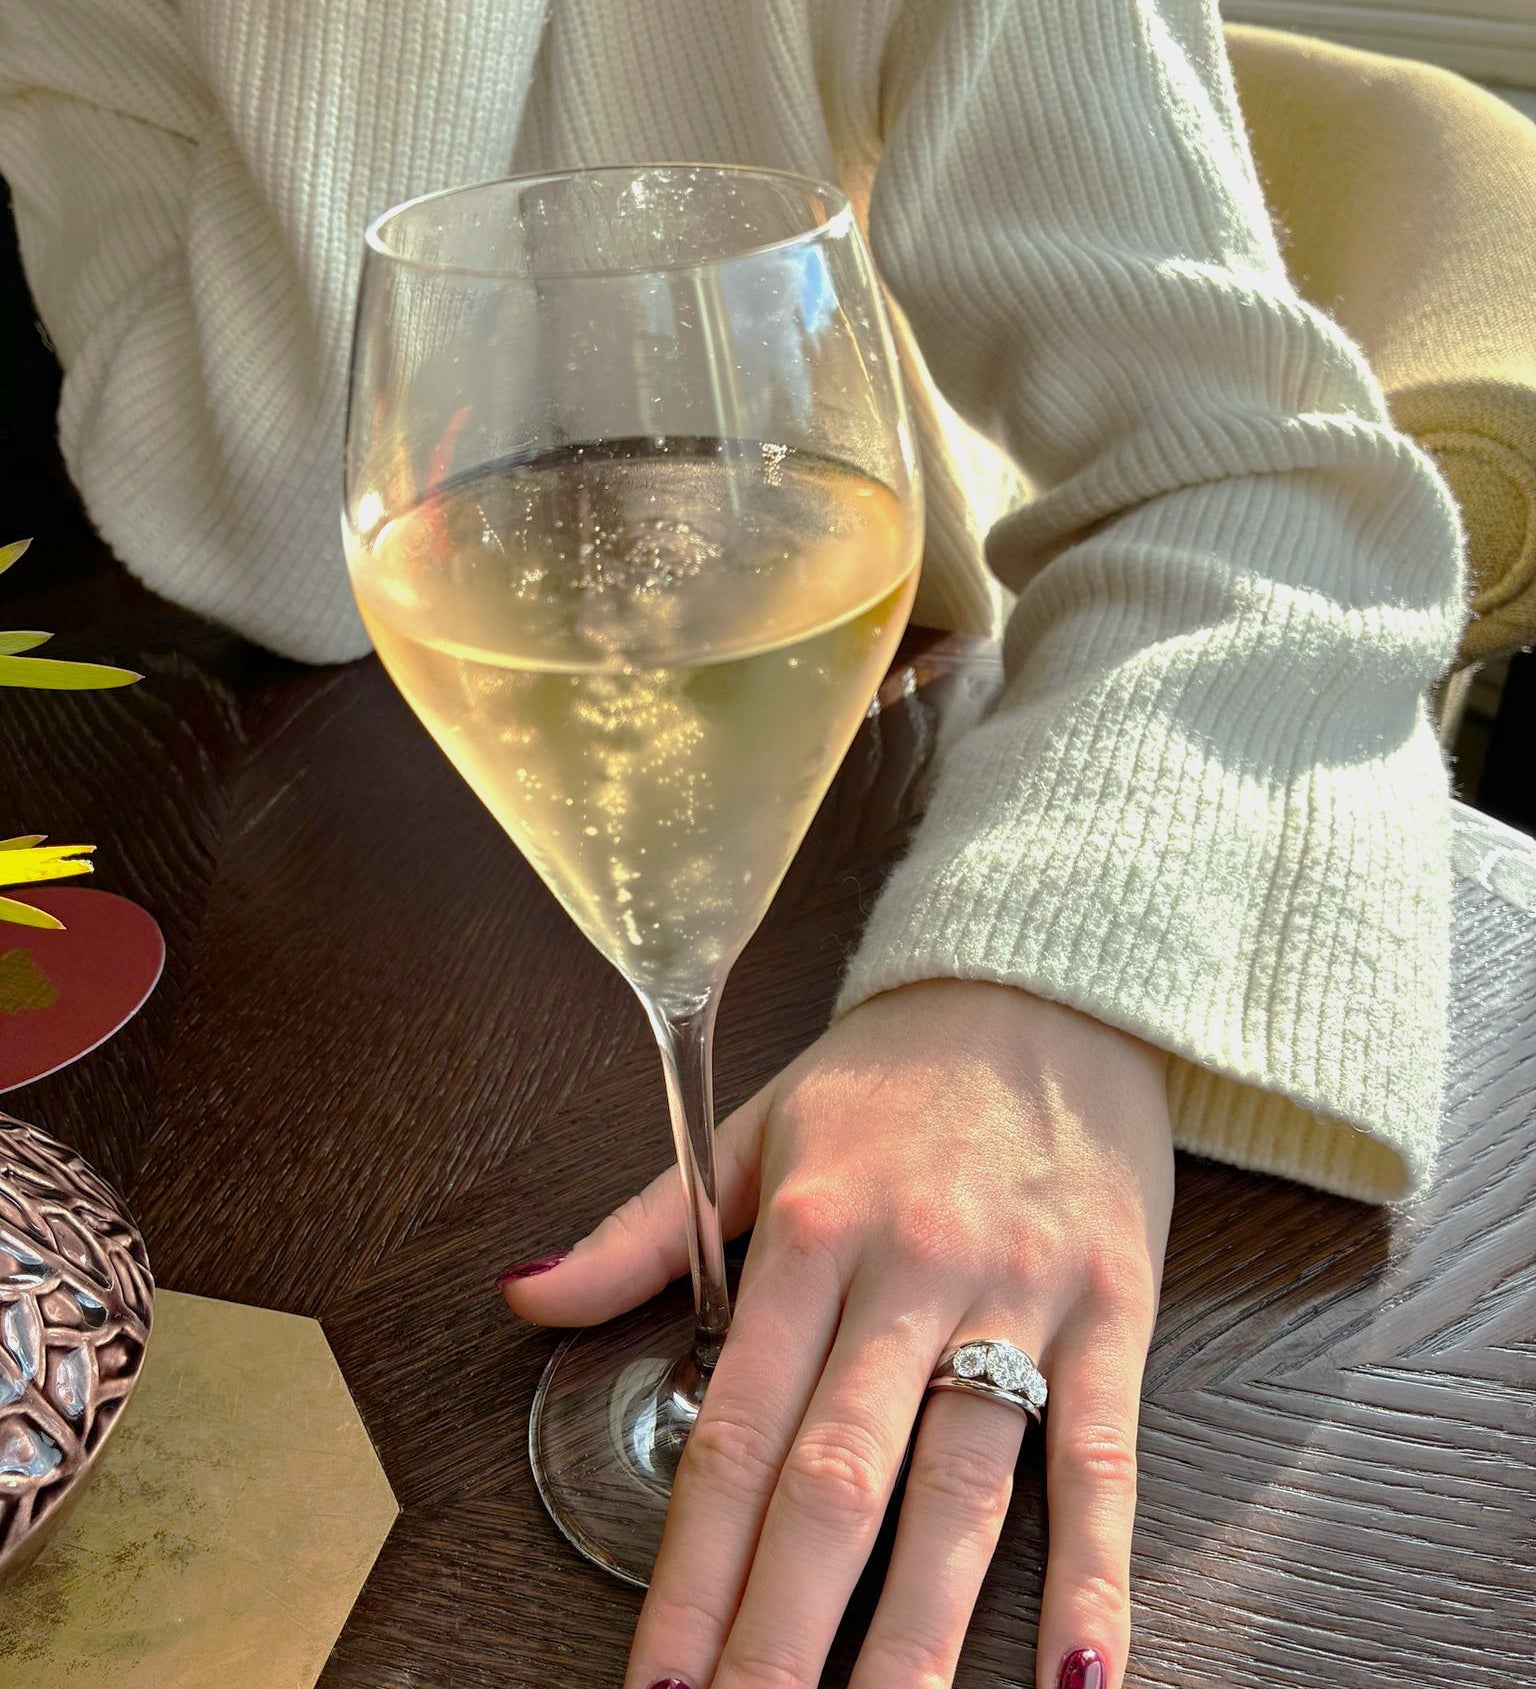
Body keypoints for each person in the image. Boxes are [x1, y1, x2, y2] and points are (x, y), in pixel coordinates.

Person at [0, 4, 1463, 1687]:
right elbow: (280, 533)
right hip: (365, 904)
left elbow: (1267, 488)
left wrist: (1040, 980)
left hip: (914, 774)